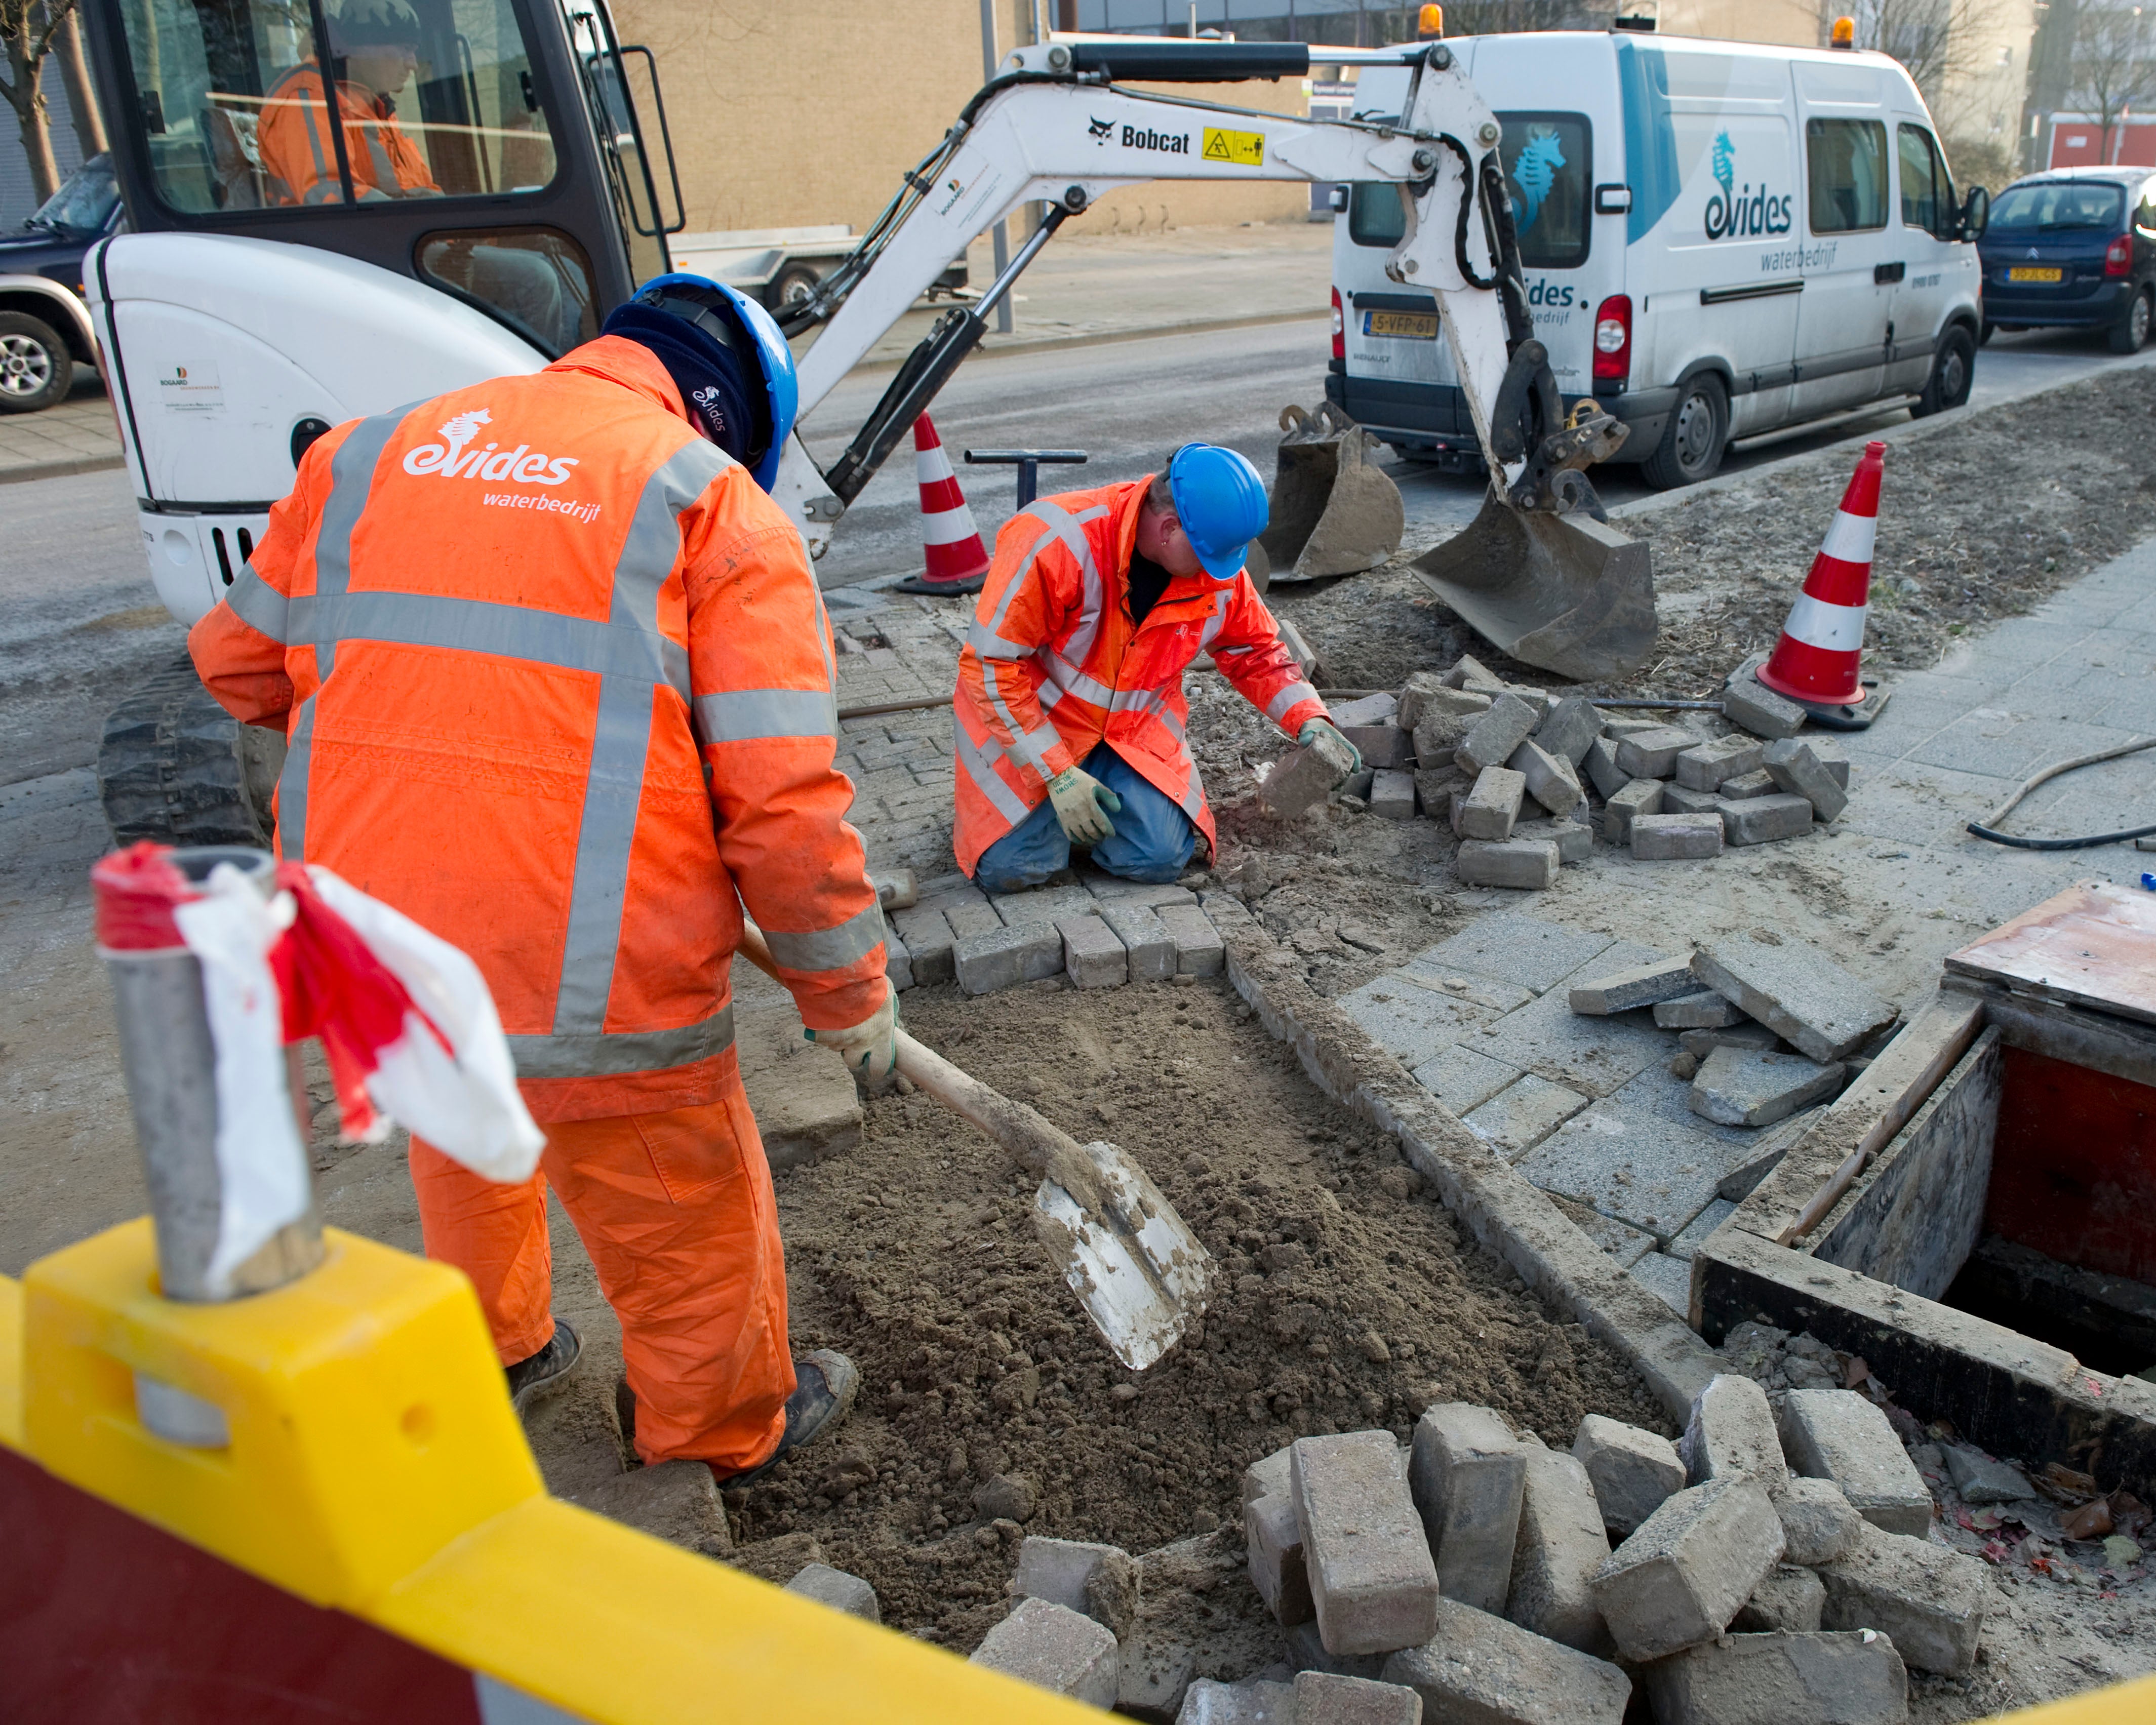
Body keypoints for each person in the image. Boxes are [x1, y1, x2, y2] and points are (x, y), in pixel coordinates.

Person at [188, 273, 893, 1483]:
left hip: (373, 947)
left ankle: (496, 1350)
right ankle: (715, 1431)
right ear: (726, 414)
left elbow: (236, 666)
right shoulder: (711, 505)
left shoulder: (361, 456)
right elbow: (780, 812)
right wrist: (848, 993)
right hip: (589, 966)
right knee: (679, 1208)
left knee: (463, 1129)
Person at [950, 445, 1358, 891]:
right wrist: (1058, 776)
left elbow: (1256, 650)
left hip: (1130, 733)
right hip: (1038, 727)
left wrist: (1310, 718)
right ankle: (1046, 818)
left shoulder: (1215, 566)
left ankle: (1080, 816)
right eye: (1213, 554)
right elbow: (990, 665)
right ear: (1168, 528)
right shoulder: (1056, 541)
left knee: (1158, 858)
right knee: (1013, 870)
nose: (1221, 569)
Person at [258, 0, 441, 205]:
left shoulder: (373, 103)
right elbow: (329, 197)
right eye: (405, 49)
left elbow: (416, 189)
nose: (413, 64)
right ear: (364, 47)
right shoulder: (309, 98)